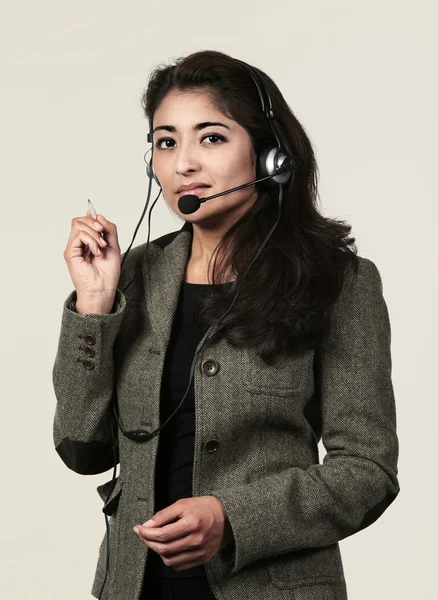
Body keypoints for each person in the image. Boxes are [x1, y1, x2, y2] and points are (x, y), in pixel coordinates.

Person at [52, 50, 400, 600]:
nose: (183, 163)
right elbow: (81, 450)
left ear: (270, 157)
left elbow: (368, 470)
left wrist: (232, 517)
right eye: (166, 142)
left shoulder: (340, 281)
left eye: (210, 138)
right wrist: (94, 305)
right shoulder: (133, 277)